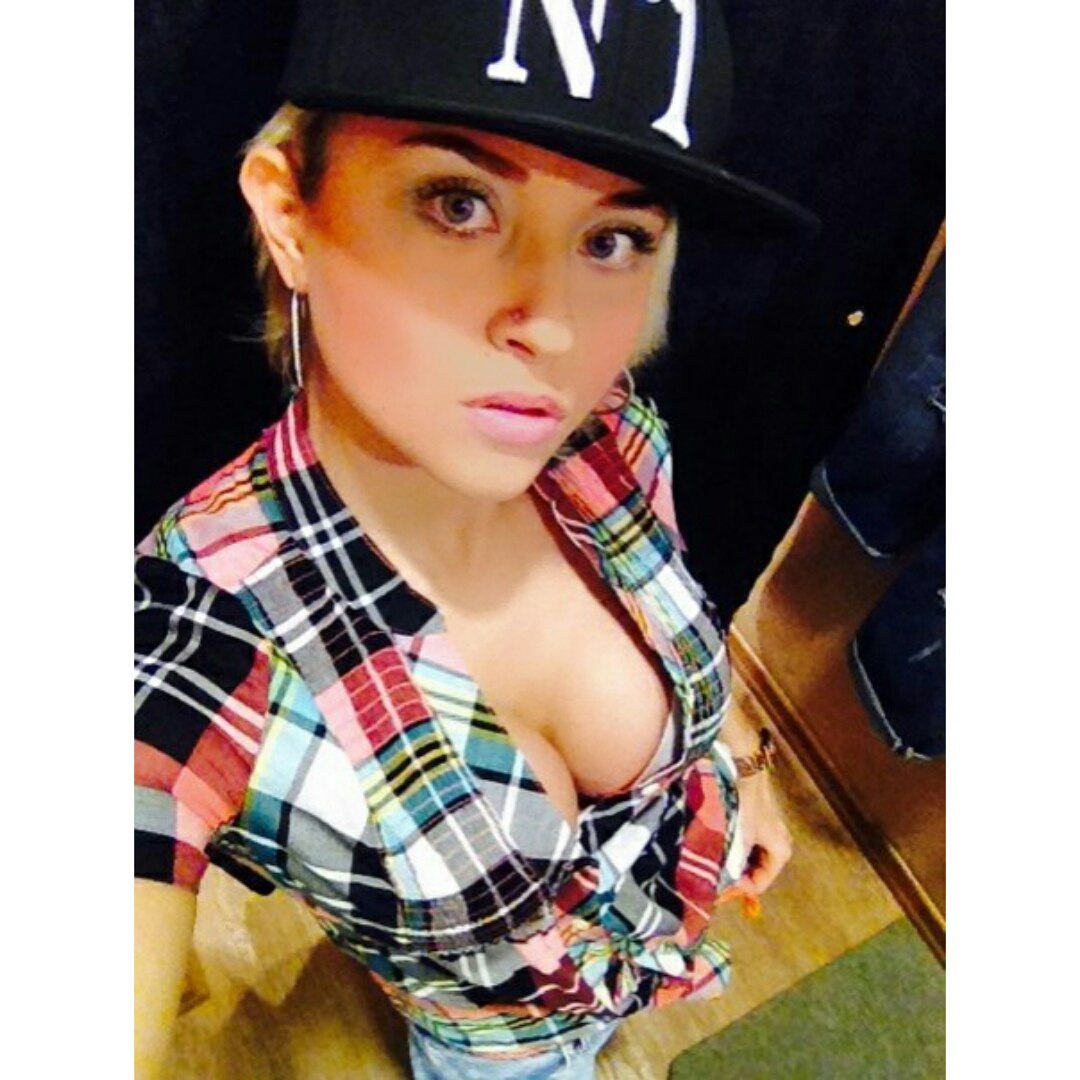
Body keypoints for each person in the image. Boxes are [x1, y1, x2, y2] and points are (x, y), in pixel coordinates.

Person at [135, 3, 817, 1076]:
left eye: (612, 239)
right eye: (459, 204)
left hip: (670, 926)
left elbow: (680, 607)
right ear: (290, 211)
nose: (552, 323)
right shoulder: (197, 634)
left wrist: (734, 761)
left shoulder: (609, 438)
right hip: (498, 1045)